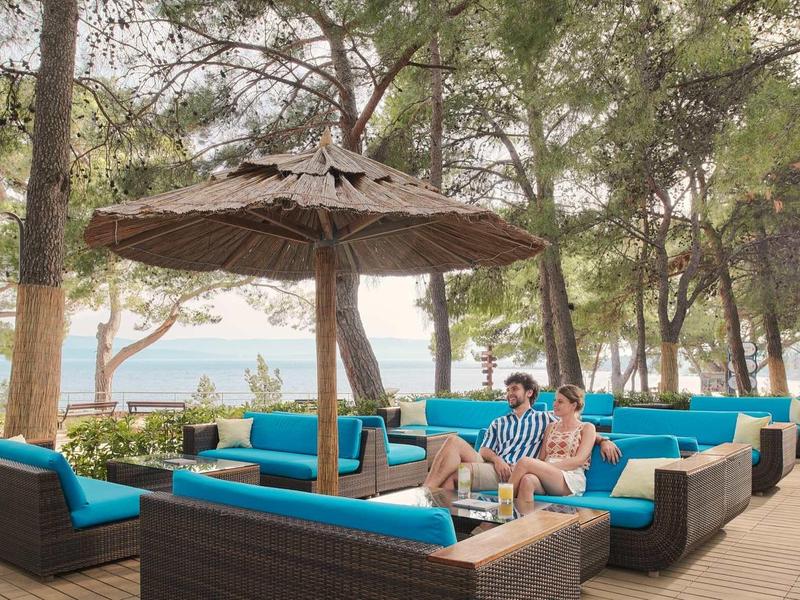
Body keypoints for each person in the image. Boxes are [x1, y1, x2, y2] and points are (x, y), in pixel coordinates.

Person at [423, 373, 620, 492]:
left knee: (453, 476)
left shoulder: (546, 419)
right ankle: (426, 494)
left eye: (514, 389)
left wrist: (603, 441)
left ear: (529, 393)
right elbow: (484, 451)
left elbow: (575, 428)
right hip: (495, 467)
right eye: (508, 389)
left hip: (516, 471)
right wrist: (498, 460)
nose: (509, 393)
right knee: (452, 441)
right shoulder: (499, 422)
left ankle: (430, 507)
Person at [508, 384, 593, 498]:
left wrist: (542, 467)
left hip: (570, 477)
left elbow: (578, 460)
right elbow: (542, 458)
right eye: (555, 400)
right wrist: (539, 468)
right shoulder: (551, 427)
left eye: (560, 402)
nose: (555, 404)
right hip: (548, 474)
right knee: (527, 481)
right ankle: (522, 515)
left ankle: (503, 503)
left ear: (573, 405)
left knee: (524, 462)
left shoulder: (587, 427)